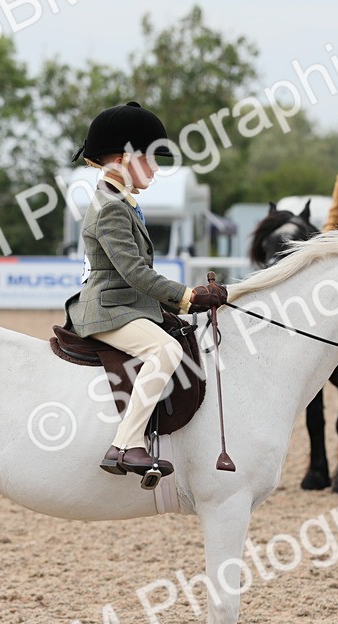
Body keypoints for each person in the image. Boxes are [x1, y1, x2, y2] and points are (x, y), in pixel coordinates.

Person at [65, 102, 227, 481]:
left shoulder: (123, 202)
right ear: (123, 159)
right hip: (108, 308)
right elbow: (135, 272)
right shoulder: (110, 208)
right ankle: (126, 444)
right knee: (165, 350)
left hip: (127, 304)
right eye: (151, 159)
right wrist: (188, 297)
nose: (156, 168)